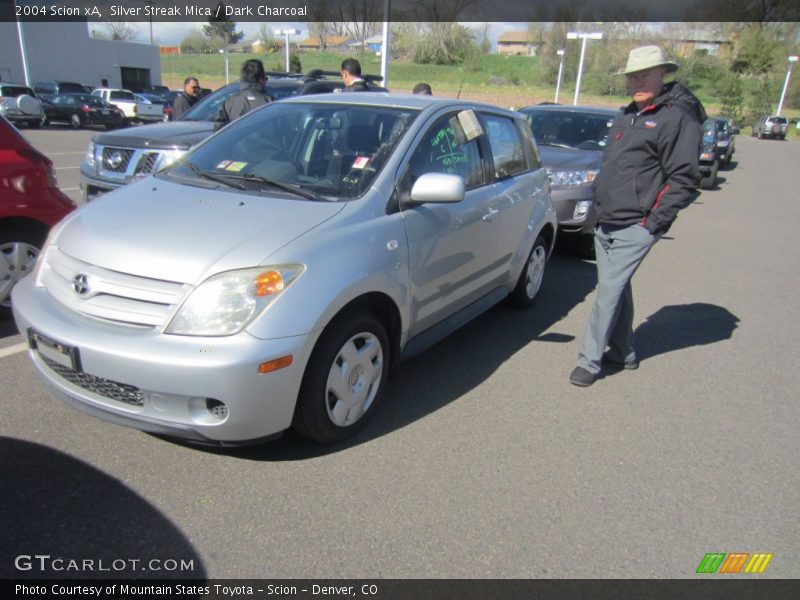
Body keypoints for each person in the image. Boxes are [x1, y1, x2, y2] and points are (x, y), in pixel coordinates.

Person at [569, 45, 705, 387]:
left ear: (663, 74)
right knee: (617, 287)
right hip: (606, 220)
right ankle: (622, 351)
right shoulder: (626, 114)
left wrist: (654, 222)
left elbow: (684, 179)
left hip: (638, 223)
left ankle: (589, 360)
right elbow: (614, 167)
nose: (638, 81)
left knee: (608, 290)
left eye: (646, 74)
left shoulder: (676, 118)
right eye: (633, 76)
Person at [214, 59, 271, 130]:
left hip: (235, 140)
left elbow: (218, 131)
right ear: (260, 79)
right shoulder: (269, 102)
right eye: (265, 78)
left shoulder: (229, 102)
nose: (266, 82)